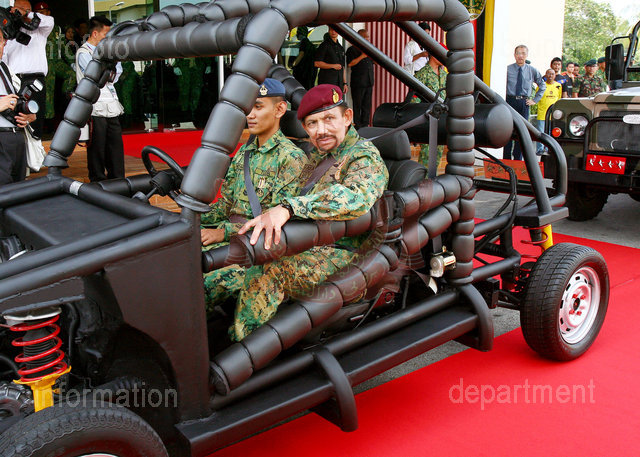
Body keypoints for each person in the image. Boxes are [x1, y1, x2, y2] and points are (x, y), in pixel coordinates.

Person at [226, 84, 389, 342]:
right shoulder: (316, 157)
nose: (321, 130)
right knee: (242, 260)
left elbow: (356, 197)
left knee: (268, 270)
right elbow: (295, 191)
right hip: (307, 244)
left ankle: (245, 354)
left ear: (347, 117)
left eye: (329, 119)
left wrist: (290, 208)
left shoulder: (363, 157)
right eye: (312, 123)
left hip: (345, 256)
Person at [201, 78, 309, 313]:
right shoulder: (245, 152)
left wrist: (220, 233)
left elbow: (273, 226)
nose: (250, 114)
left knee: (197, 285)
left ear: (280, 109)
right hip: (230, 239)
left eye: (258, 107)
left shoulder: (291, 159)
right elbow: (225, 205)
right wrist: (193, 218)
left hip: (258, 252)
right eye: (248, 107)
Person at [76, 16, 125, 182]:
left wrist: (110, 66)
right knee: (97, 148)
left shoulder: (109, 52)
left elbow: (114, 76)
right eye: (106, 34)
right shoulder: (84, 52)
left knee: (115, 146)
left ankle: (118, 181)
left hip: (111, 104)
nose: (108, 38)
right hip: (95, 107)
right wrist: (108, 68)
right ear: (95, 33)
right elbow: (97, 76)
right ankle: (97, 182)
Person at [2, 0, 54, 140]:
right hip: (15, 81)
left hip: (36, 81)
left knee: (35, 120)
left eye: (28, 10)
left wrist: (27, 14)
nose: (23, 13)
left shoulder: (40, 31)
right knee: (17, 119)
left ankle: (36, 149)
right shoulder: (8, 32)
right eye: (19, 9)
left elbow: (50, 21)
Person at [0, 30, 36, 185]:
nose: (2, 45)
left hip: (16, 136)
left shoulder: (4, 67)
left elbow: (17, 98)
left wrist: (28, 115)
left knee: (18, 188)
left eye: (2, 41)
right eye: (1, 41)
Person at [504, 45, 545, 160]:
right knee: (507, 130)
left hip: (524, 103)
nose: (520, 56)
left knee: (522, 131)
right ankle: (506, 159)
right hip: (509, 102)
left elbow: (542, 85)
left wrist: (535, 100)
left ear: (527, 55)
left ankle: (518, 159)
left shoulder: (532, 70)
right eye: (518, 53)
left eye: (523, 53)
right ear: (514, 55)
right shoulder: (507, 69)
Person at [412, 53, 447, 170]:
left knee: (437, 155)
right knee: (427, 155)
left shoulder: (444, 75)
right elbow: (414, 100)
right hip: (428, 121)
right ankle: (423, 180)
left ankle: (432, 179)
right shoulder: (423, 74)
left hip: (442, 121)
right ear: (433, 55)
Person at [346, 28, 374, 129]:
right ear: (358, 37)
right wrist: (362, 56)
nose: (367, 39)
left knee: (367, 105)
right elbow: (350, 64)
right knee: (357, 105)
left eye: (368, 37)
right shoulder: (351, 50)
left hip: (369, 81)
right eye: (364, 37)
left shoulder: (369, 49)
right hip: (358, 82)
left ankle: (365, 125)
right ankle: (358, 126)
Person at [535, 68, 562, 155]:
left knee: (550, 132)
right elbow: (537, 98)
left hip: (553, 114)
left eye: (552, 74)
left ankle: (549, 148)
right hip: (542, 113)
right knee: (541, 133)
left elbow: (559, 99)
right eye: (549, 74)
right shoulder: (541, 86)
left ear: (555, 75)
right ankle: (540, 149)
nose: (550, 76)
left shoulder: (558, 86)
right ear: (546, 75)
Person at [314, 29, 348, 95]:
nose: (333, 32)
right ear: (328, 31)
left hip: (339, 83)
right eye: (331, 30)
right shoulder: (324, 45)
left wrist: (345, 83)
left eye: (335, 30)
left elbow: (343, 67)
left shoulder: (341, 48)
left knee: (338, 101)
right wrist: (333, 66)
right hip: (327, 82)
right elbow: (317, 63)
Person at [291, 26, 317, 90]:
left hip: (303, 72)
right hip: (310, 71)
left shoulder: (303, 42)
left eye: (298, 32)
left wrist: (293, 64)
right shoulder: (310, 45)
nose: (296, 34)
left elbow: (301, 54)